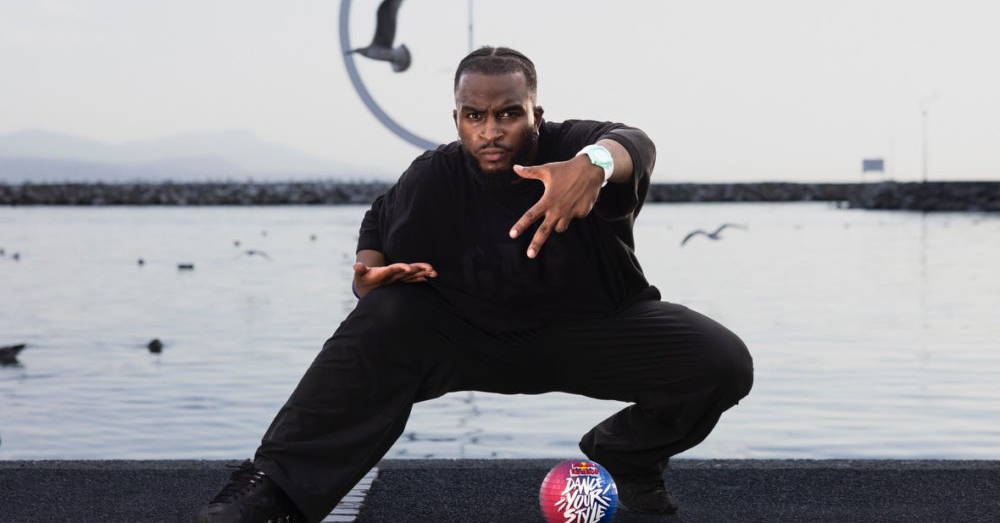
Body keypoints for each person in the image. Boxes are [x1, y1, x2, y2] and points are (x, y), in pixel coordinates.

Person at [195, 46, 753, 523]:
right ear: (457, 118)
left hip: (597, 330)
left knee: (720, 361)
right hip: (470, 338)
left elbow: (634, 142)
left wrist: (594, 166)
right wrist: (370, 275)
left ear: (536, 113)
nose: (491, 130)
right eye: (474, 115)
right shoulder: (433, 175)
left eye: (509, 113)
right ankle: (275, 491)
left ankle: (626, 455)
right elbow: (378, 221)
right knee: (385, 313)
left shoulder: (575, 147)